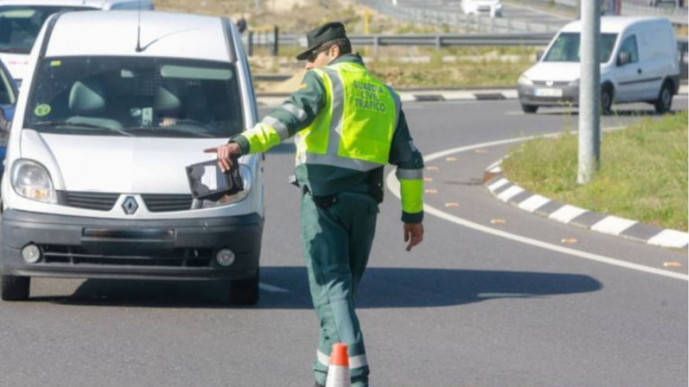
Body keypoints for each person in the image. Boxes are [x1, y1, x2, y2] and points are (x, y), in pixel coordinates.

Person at [204, 21, 425, 387]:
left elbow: (284, 122)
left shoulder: (325, 81)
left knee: (332, 292)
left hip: (324, 206)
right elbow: (411, 163)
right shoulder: (387, 95)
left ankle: (356, 379)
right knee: (338, 303)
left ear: (333, 52)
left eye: (313, 56)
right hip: (365, 208)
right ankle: (326, 377)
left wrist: (240, 143)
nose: (309, 65)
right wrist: (413, 216)